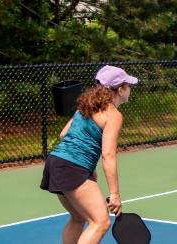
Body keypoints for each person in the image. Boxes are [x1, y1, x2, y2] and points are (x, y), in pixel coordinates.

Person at [40, 65, 136, 243]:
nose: (130, 89)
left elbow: (63, 134)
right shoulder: (114, 115)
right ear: (120, 90)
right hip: (71, 167)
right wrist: (114, 194)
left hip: (55, 162)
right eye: (128, 86)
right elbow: (108, 155)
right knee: (100, 223)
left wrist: (87, 166)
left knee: (78, 218)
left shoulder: (85, 107)